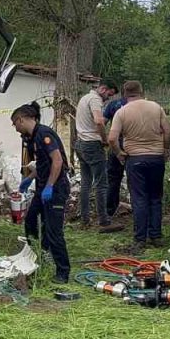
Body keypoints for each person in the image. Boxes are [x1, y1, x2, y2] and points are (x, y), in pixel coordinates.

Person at [108, 81, 170, 252]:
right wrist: (165, 149)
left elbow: (112, 138)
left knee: (139, 199)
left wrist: (119, 153)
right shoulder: (156, 107)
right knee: (155, 198)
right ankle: (156, 236)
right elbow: (168, 130)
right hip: (156, 157)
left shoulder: (121, 112)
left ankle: (140, 239)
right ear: (142, 91)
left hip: (135, 159)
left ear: (124, 94)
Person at [13, 101, 71, 282]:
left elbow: (57, 161)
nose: (15, 129)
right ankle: (39, 252)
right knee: (30, 221)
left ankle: (63, 271)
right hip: (42, 187)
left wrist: (50, 186)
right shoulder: (33, 138)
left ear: (21, 120)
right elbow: (44, 163)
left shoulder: (44, 134)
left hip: (56, 188)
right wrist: (30, 178)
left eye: (15, 124)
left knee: (53, 230)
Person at [75, 79, 118, 230]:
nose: (108, 98)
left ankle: (85, 219)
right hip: (92, 144)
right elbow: (99, 121)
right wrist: (105, 140)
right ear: (103, 89)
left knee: (86, 183)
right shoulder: (95, 100)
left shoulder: (84, 98)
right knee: (101, 183)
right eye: (109, 94)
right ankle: (104, 220)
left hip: (80, 143)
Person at [102, 90, 130, 226]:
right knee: (135, 180)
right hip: (133, 145)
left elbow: (103, 122)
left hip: (116, 145)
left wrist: (104, 139)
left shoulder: (113, 105)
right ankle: (139, 208)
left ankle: (110, 210)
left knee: (113, 180)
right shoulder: (139, 105)